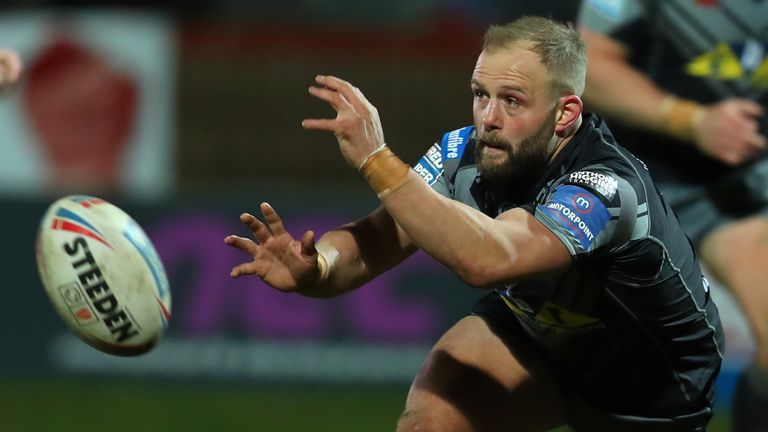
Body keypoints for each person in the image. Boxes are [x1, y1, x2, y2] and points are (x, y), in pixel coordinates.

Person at [226, 16, 723, 431]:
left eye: (511, 100)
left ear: (565, 113)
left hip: (653, 385)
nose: (488, 117)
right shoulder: (461, 152)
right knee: (430, 422)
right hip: (543, 338)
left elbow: (489, 260)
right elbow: (380, 237)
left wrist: (377, 159)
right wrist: (319, 268)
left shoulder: (606, 186)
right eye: (480, 94)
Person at [577, 1, 767, 430]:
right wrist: (692, 120)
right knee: (613, 368)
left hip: (732, 188)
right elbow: (590, 64)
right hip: (627, 185)